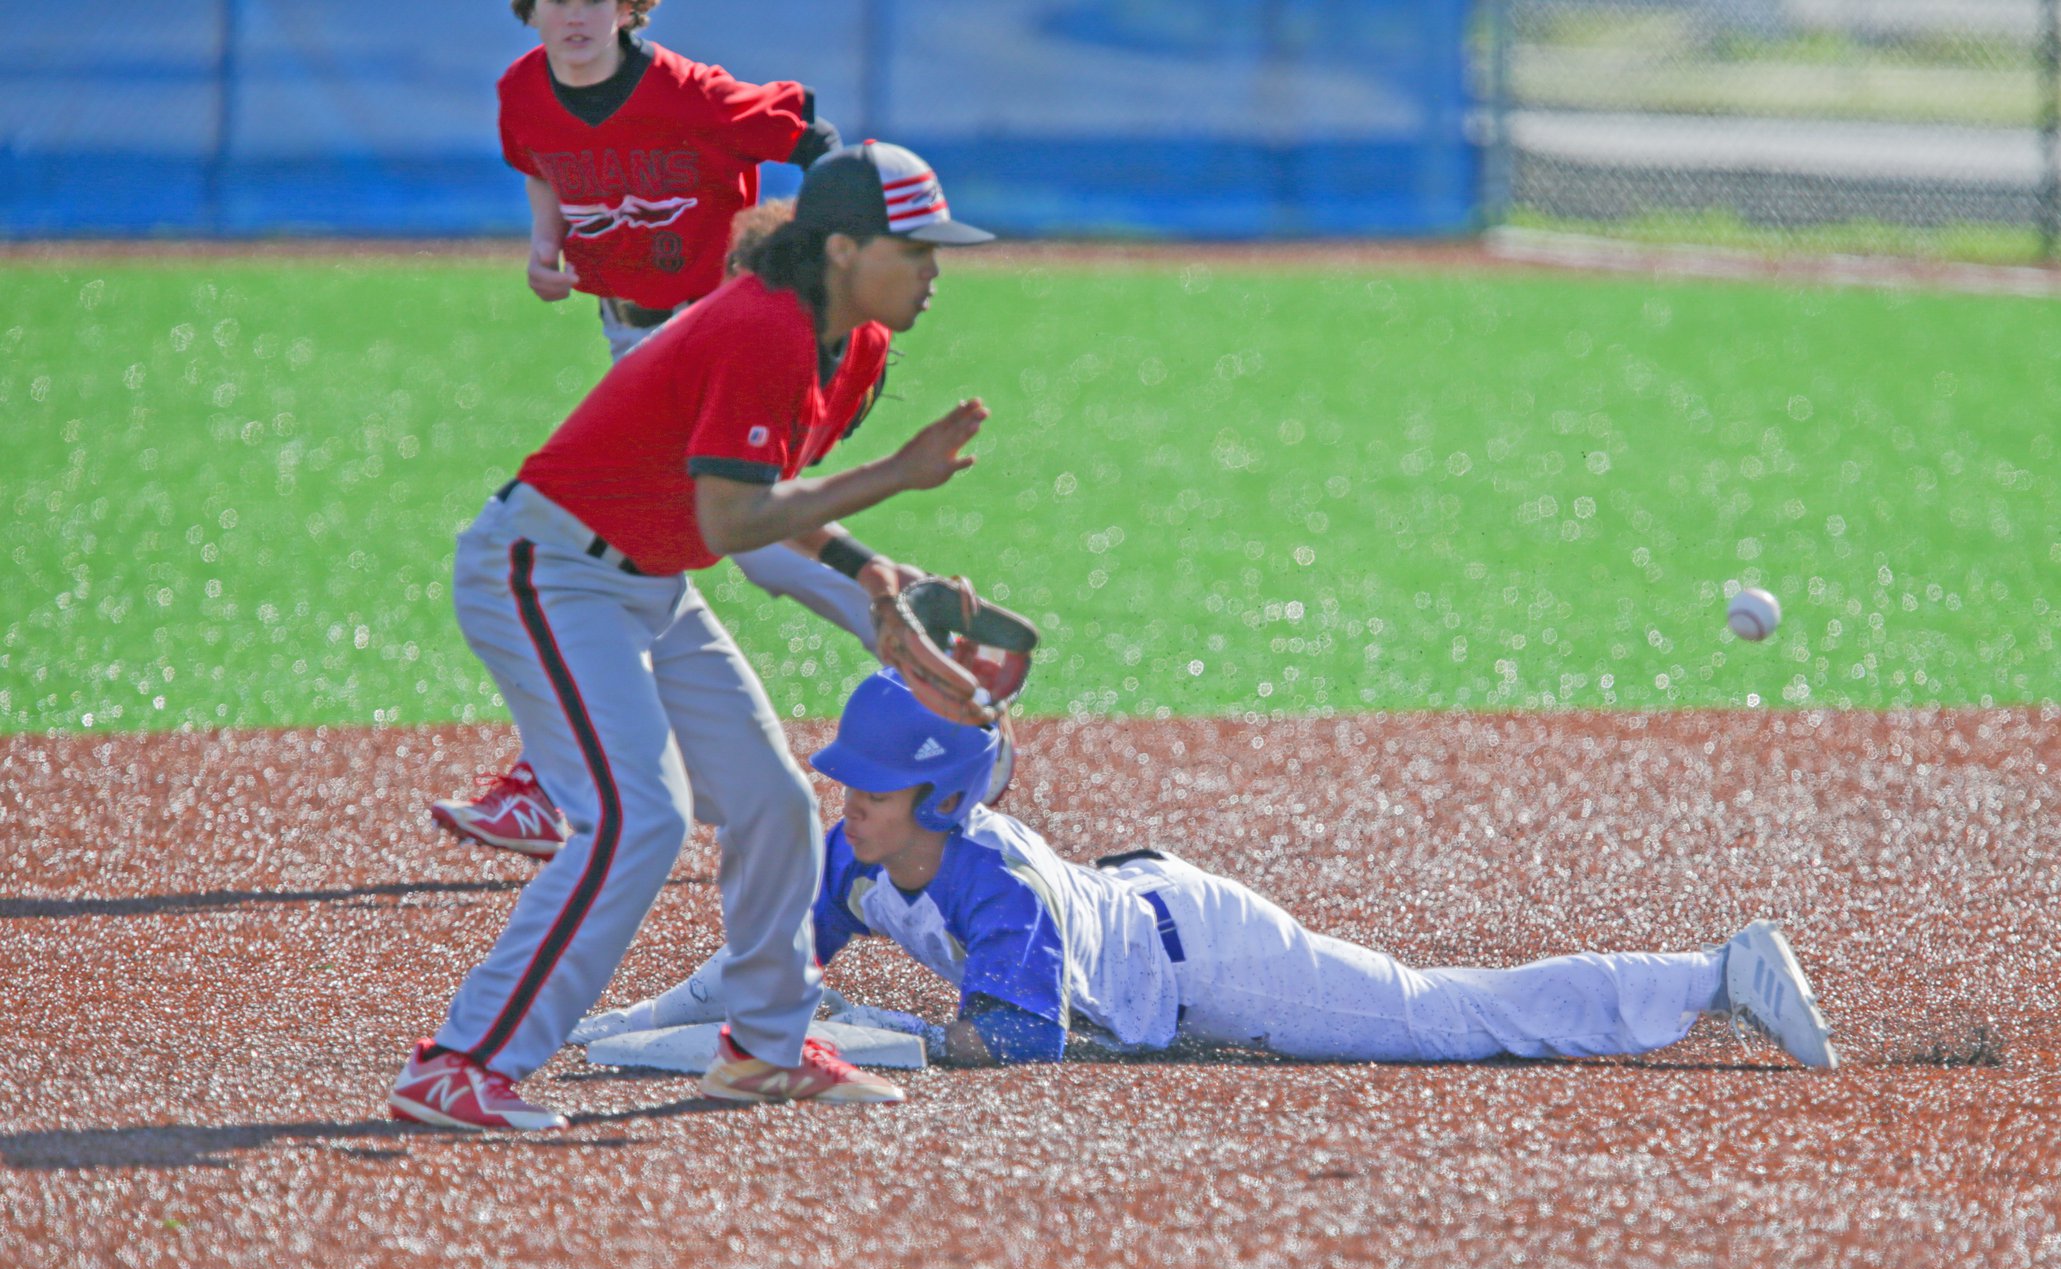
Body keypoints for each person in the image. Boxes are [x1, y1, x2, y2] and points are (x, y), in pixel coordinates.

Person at [390, 142, 997, 1131]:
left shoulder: (857, 349)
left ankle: (762, 1048)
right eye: (914, 246)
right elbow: (731, 523)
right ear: (842, 246)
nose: (933, 270)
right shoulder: (763, 329)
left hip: (647, 580)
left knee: (774, 802)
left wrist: (867, 571)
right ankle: (463, 1062)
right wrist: (896, 474)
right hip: (548, 570)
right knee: (637, 818)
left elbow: (771, 501)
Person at [573, 670, 1842, 1074]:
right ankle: (1701, 975)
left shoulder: (990, 883)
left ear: (943, 801)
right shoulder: (858, 857)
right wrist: (617, 1027)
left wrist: (864, 1029)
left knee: (1439, 1017)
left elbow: (1015, 1042)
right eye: (847, 771)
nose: (846, 793)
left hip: (1210, 954)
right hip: (1140, 907)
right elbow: (761, 973)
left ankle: (1711, 973)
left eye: (873, 779)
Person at [432, 0, 885, 857]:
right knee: (648, 542)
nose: (574, 14)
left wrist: (819, 259)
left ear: (629, 6)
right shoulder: (523, 91)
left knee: (694, 533)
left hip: (715, 336)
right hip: (626, 332)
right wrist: (543, 243)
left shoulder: (694, 96)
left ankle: (906, 633)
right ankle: (908, 627)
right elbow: (540, 165)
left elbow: (815, 141)